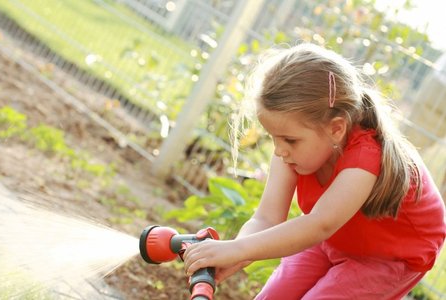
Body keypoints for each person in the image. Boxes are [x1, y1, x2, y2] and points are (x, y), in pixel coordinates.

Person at [182, 43, 446, 299]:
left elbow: (320, 224)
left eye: (289, 140)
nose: (279, 151)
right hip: (338, 237)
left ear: (336, 129)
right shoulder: (294, 149)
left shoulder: (366, 157)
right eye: (274, 138)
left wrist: (236, 249)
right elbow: (266, 219)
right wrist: (236, 254)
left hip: (390, 254)